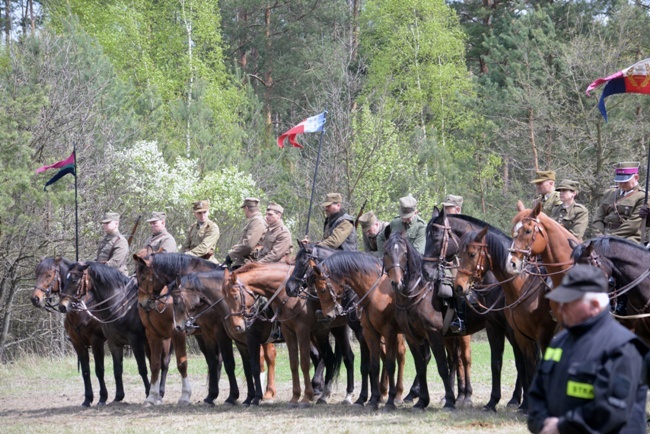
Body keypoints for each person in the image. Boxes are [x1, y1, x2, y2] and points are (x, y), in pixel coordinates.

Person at [527, 264, 648, 434]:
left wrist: (561, 427)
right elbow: (536, 394)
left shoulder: (623, 348)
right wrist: (542, 423)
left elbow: (612, 409)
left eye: (570, 302)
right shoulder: (559, 342)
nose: (561, 308)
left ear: (595, 304)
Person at [592, 162, 646, 244]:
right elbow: (598, 218)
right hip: (603, 236)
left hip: (628, 238)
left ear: (636, 177)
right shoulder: (610, 193)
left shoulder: (643, 197)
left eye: (625, 181)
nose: (622, 184)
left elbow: (632, 225)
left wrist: (610, 238)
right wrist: (598, 234)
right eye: (619, 181)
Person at [440, 194, 466, 333]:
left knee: (458, 284)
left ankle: (460, 319)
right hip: (445, 263)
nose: (445, 211)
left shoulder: (465, 225)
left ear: (457, 209)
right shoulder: (446, 224)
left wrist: (455, 263)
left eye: (448, 208)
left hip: (463, 264)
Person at [224, 198, 268, 269]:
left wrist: (231, 255)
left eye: (244, 209)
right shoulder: (256, 220)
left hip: (249, 263)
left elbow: (249, 245)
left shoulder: (257, 221)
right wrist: (238, 247)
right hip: (247, 261)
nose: (244, 211)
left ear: (246, 208)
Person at [96, 212, 129, 276]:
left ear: (116, 224)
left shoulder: (121, 241)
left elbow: (115, 263)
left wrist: (95, 267)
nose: (104, 225)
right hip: (103, 274)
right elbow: (99, 258)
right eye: (104, 223)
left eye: (107, 223)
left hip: (117, 277)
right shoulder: (105, 240)